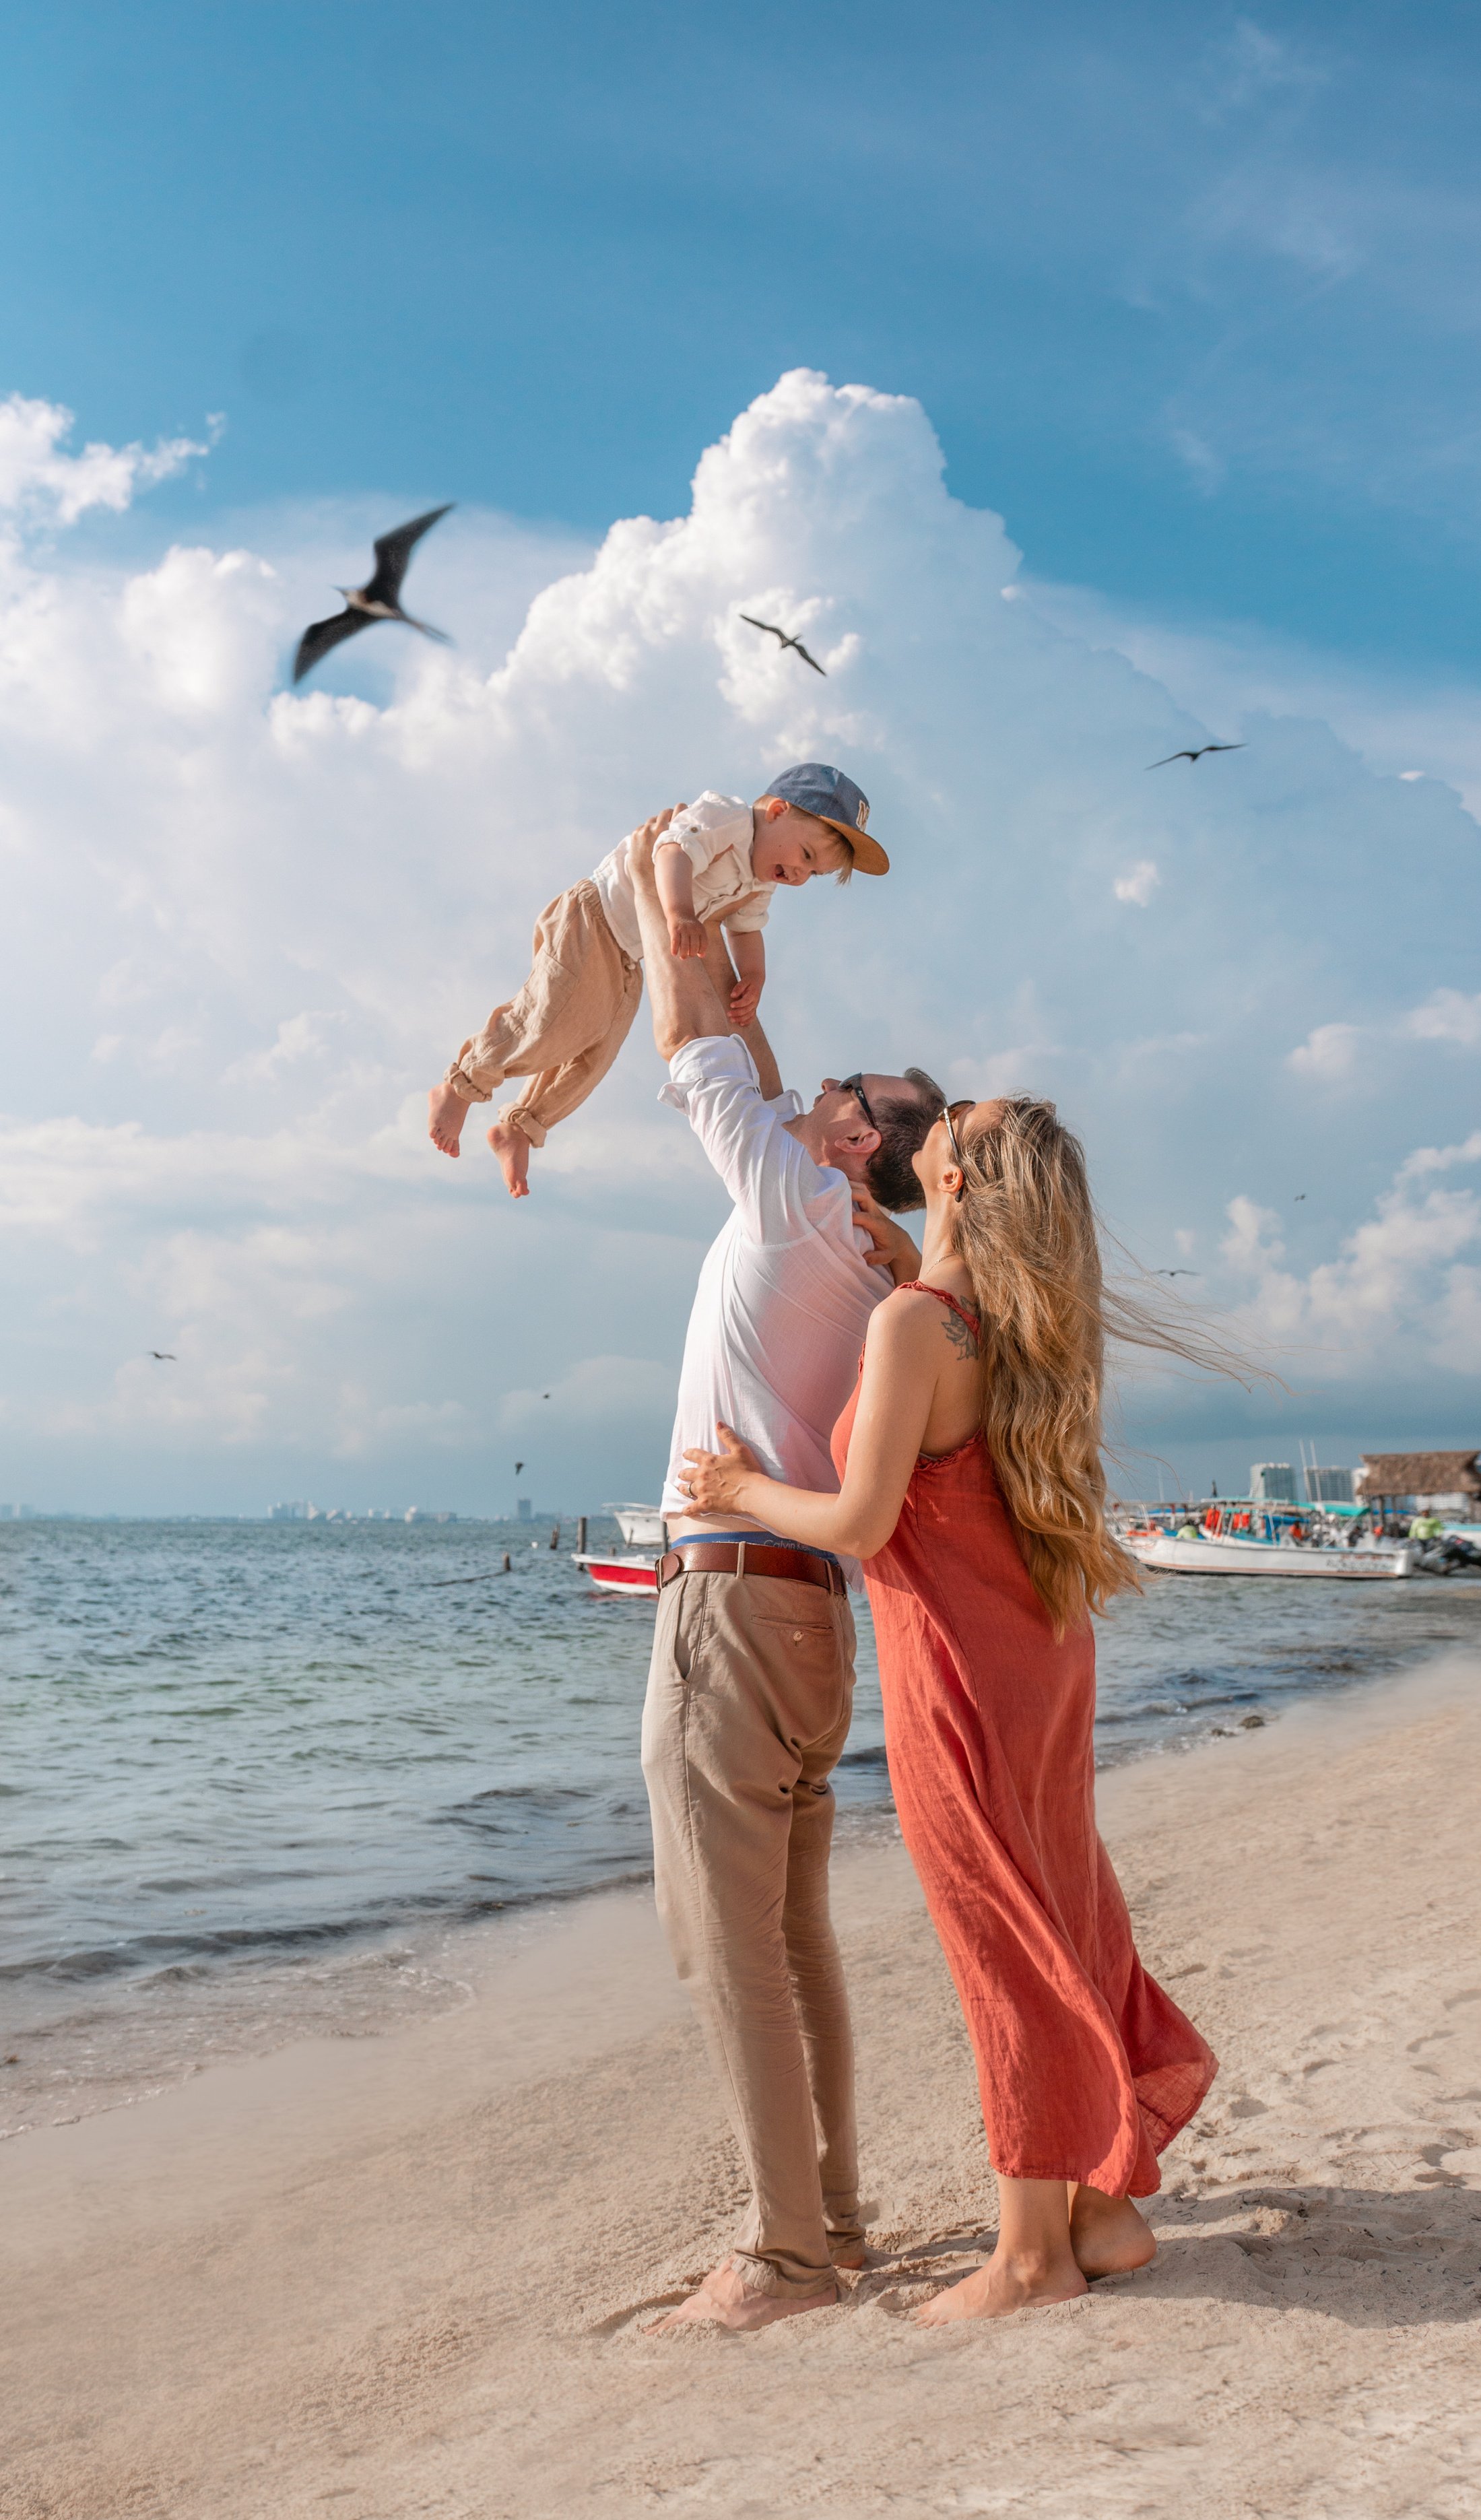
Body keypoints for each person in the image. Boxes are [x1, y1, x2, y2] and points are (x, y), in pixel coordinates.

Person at [680, 1091, 1220, 2325]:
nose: (924, 1126)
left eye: (945, 1128)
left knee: (1002, 1937)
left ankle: (1033, 2253)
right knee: (1063, 1903)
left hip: (963, 1672)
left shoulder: (919, 1322)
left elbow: (862, 1525)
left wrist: (744, 1484)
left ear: (964, 1179)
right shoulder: (1016, 1324)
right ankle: (1098, 2205)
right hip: (1040, 1653)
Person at [615, 815, 946, 2335]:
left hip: (733, 1599)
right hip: (805, 1614)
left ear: (857, 1137)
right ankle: (831, 2216)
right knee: (790, 1928)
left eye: (839, 1094)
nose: (812, 1091)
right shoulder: (869, 1244)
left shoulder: (791, 1192)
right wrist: (753, 986)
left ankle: (785, 2253)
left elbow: (689, 1044)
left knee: (721, 1932)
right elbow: (754, 1059)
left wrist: (650, 895)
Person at [426, 764, 887, 1197]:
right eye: (805, 855)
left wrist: (754, 977)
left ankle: (522, 1126)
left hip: (629, 953)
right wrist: (680, 912)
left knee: (596, 1048)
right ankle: (462, 1084)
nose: (801, 875)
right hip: (595, 917)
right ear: (778, 811)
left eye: (814, 873)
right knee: (550, 1019)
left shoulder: (758, 881)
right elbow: (668, 851)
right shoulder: (728, 818)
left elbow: (746, 928)